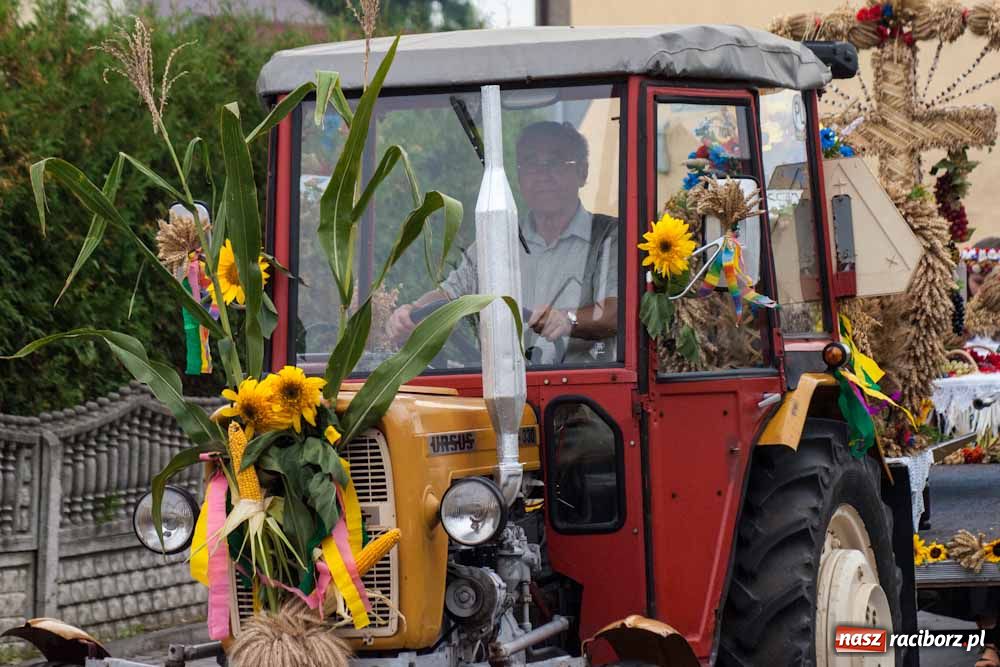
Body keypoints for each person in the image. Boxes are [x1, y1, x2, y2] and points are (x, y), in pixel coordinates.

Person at [387, 121, 618, 365]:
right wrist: (411, 313)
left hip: (577, 393)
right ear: (518, 176)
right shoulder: (497, 240)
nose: (542, 175)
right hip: (496, 389)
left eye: (556, 162)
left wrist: (566, 319)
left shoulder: (607, 237)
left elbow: (615, 312)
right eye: (530, 164)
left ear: (582, 173)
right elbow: (450, 294)